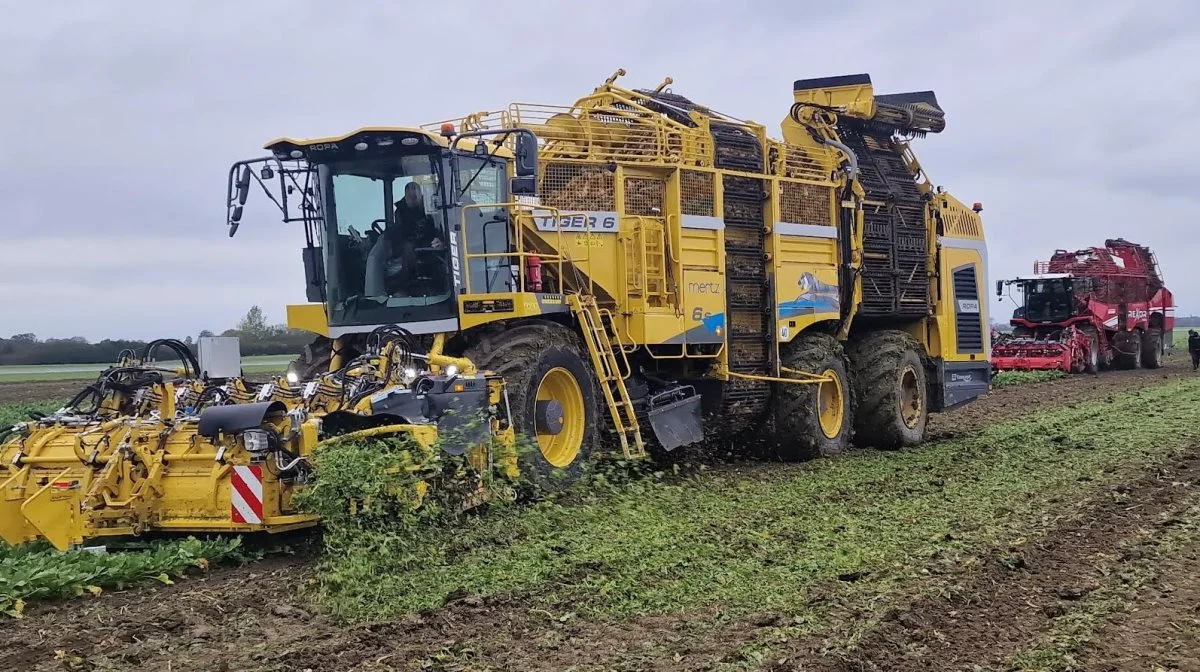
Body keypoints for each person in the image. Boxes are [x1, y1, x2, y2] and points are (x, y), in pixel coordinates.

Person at [387, 181, 445, 292]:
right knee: (407, 247)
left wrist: (441, 239)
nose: (412, 199)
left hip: (432, 244)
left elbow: (440, 226)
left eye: (415, 196)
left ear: (420, 195)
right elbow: (399, 234)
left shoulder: (431, 207)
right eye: (409, 196)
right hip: (410, 247)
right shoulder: (400, 212)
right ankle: (406, 282)